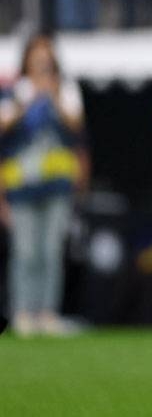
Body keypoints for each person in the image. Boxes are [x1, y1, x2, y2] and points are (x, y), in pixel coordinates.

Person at [0, 33, 86, 336]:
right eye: (36, 59)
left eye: (46, 59)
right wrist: (29, 100)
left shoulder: (66, 89)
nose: (41, 64)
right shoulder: (15, 91)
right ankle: (23, 312)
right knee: (25, 252)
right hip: (22, 187)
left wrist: (52, 96)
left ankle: (48, 313)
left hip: (56, 186)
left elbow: (76, 126)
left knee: (51, 251)